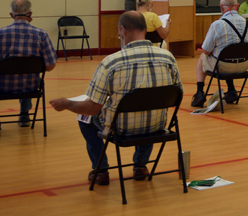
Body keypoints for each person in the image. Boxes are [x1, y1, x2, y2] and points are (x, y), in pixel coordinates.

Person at [49, 11, 182, 186]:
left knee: (84, 118)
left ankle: (101, 170)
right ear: (145, 29)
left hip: (121, 130)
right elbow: (178, 94)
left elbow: (92, 108)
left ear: (123, 30)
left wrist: (67, 103)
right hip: (157, 126)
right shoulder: (168, 57)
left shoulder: (111, 62)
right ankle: (141, 166)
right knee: (149, 106)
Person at [191, 0, 248, 108]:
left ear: (221, 7)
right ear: (238, 5)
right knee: (229, 56)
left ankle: (199, 93)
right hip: (244, 66)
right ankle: (231, 90)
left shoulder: (217, 25)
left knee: (203, 56)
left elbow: (206, 50)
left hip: (222, 67)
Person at [0, 0, 57, 127]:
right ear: (30, 14)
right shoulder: (41, 35)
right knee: (27, 74)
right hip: (30, 87)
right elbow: (50, 66)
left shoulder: (1, 34)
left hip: (2, 87)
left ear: (11, 15)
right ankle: (24, 115)